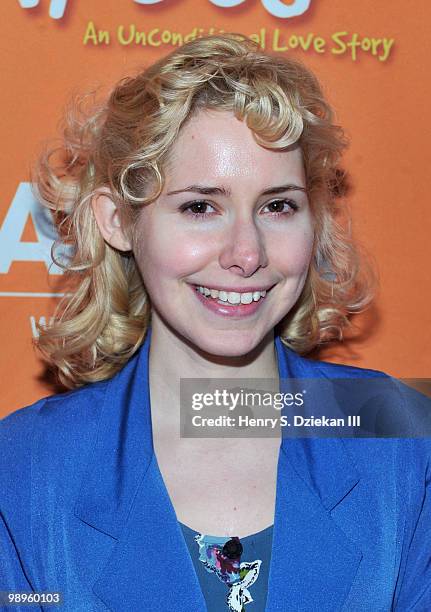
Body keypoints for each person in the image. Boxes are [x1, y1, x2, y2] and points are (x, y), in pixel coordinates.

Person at [0, 34, 430, 612]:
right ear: (119, 222)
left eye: (278, 206)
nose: (246, 253)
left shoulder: (402, 436)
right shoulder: (25, 466)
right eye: (200, 206)